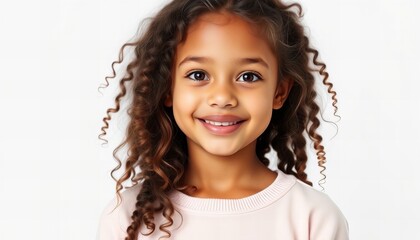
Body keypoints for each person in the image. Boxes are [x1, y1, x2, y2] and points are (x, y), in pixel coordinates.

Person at [97, 0, 349, 239]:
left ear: (279, 92)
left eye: (248, 77)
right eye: (198, 75)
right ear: (167, 89)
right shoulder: (126, 218)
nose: (222, 97)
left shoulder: (313, 219)